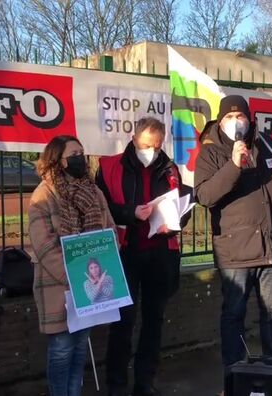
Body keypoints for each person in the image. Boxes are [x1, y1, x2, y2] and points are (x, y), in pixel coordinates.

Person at [194, 95, 272, 396]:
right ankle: (233, 376)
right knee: (233, 314)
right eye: (231, 116)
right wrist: (234, 165)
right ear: (220, 122)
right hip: (235, 251)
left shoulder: (266, 143)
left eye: (242, 115)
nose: (238, 120)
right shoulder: (211, 153)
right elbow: (205, 196)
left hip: (271, 246)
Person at [96, 117, 191, 396]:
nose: (152, 150)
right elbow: (101, 208)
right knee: (122, 323)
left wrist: (174, 223)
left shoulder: (170, 168)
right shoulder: (109, 166)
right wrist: (131, 213)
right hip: (125, 253)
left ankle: (145, 383)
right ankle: (116, 385)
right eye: (147, 144)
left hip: (160, 253)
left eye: (158, 145)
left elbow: (182, 207)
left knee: (154, 321)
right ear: (134, 138)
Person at [28, 135, 116, 396]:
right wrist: (74, 278)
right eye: (74, 154)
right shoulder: (43, 195)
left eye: (82, 152)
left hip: (90, 283)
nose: (81, 158)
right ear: (57, 160)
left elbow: (108, 229)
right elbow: (43, 244)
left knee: (80, 347)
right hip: (60, 284)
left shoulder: (93, 190)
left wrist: (108, 255)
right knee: (62, 349)